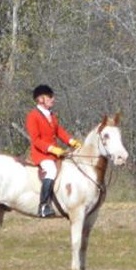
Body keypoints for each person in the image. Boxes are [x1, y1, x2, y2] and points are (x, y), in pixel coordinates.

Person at [27, 84, 79, 218]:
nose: (53, 99)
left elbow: (59, 131)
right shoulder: (33, 116)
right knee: (51, 170)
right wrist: (52, 149)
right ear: (40, 99)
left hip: (54, 154)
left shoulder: (51, 115)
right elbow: (36, 140)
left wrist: (71, 141)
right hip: (41, 154)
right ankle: (43, 206)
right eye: (50, 96)